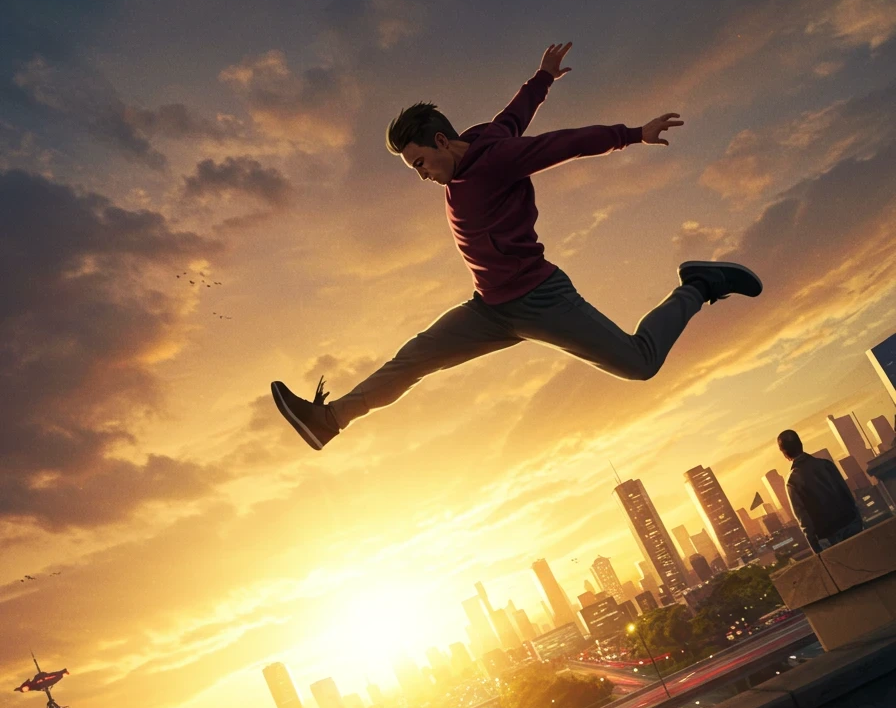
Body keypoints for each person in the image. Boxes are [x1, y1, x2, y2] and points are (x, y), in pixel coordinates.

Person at [271, 41, 762, 451]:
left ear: (441, 142)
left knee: (640, 363)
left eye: (419, 163)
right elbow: (514, 113)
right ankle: (328, 420)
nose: (421, 176)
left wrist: (632, 135)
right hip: (490, 309)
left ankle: (698, 285)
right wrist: (543, 78)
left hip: (539, 299)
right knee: (414, 359)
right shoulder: (484, 141)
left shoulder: (496, 160)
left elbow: (563, 144)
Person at [777, 429, 864, 553]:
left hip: (829, 538)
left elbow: (803, 519)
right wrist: (858, 520)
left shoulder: (792, 481)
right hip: (852, 524)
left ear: (785, 453)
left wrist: (816, 549)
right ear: (800, 444)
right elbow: (847, 494)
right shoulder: (826, 465)